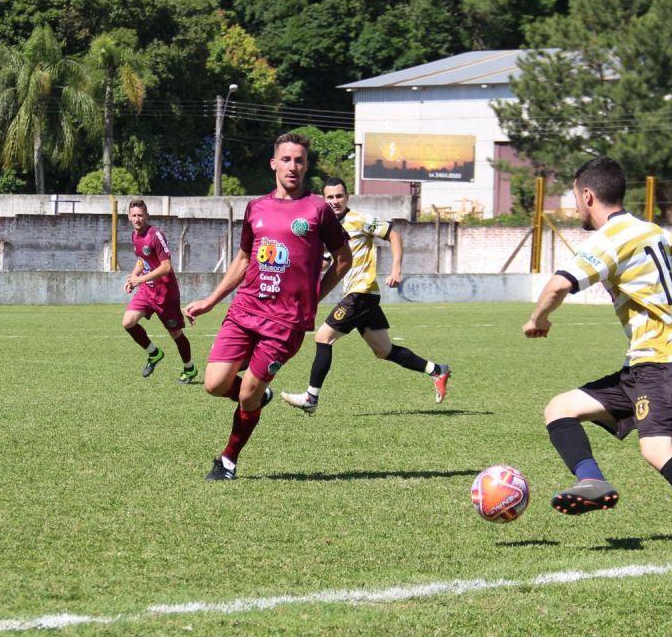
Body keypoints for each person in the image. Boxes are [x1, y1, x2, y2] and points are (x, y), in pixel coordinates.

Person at [523, 156, 672, 557]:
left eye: (575, 198)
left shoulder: (608, 239)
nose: (575, 206)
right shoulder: (651, 231)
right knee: (559, 408)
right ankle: (592, 482)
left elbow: (557, 285)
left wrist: (538, 319)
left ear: (587, 195)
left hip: (663, 359)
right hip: (644, 363)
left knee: (656, 448)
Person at [183, 133, 352, 481]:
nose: (293, 166)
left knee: (246, 394)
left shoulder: (318, 209)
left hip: (286, 323)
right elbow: (244, 257)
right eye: (287, 159)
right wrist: (212, 301)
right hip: (245, 310)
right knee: (214, 384)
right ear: (274, 163)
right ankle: (262, 394)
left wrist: (314, 296)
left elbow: (343, 260)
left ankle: (228, 460)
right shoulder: (256, 207)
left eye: (300, 160)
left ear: (307, 166)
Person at [280, 177, 450, 414]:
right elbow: (331, 259)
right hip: (363, 296)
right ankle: (437, 370)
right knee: (384, 350)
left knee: (323, 337)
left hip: (361, 292)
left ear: (347, 197)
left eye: (339, 196)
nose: (335, 201)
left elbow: (394, 235)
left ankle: (311, 398)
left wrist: (396, 269)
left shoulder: (360, 220)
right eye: (329, 197)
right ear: (323, 199)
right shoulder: (327, 228)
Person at [122, 199, 197, 384]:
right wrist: (133, 278)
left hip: (166, 294)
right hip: (147, 291)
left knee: (176, 334)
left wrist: (140, 279)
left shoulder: (156, 235)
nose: (137, 219)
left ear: (147, 216)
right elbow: (142, 260)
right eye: (134, 216)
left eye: (140, 215)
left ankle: (189, 368)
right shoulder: (134, 236)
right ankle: (154, 353)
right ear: (129, 217)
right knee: (128, 322)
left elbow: (166, 267)